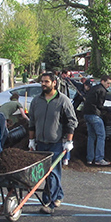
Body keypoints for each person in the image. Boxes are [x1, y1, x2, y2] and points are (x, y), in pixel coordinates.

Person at [27, 72, 78, 213]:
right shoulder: (36, 101)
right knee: (46, 173)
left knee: (53, 172)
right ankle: (58, 196)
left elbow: (72, 121)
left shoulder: (63, 101)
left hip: (56, 142)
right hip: (40, 142)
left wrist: (69, 141)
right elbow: (31, 122)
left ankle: (49, 203)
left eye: (46, 82)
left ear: (54, 83)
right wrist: (31, 140)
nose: (43, 84)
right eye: (42, 82)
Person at [83, 75, 111, 166]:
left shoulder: (94, 88)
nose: (108, 85)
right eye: (107, 83)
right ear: (102, 81)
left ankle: (89, 159)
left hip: (86, 113)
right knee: (101, 136)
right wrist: (107, 109)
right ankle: (99, 158)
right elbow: (99, 105)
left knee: (91, 136)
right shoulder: (102, 90)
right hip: (94, 114)